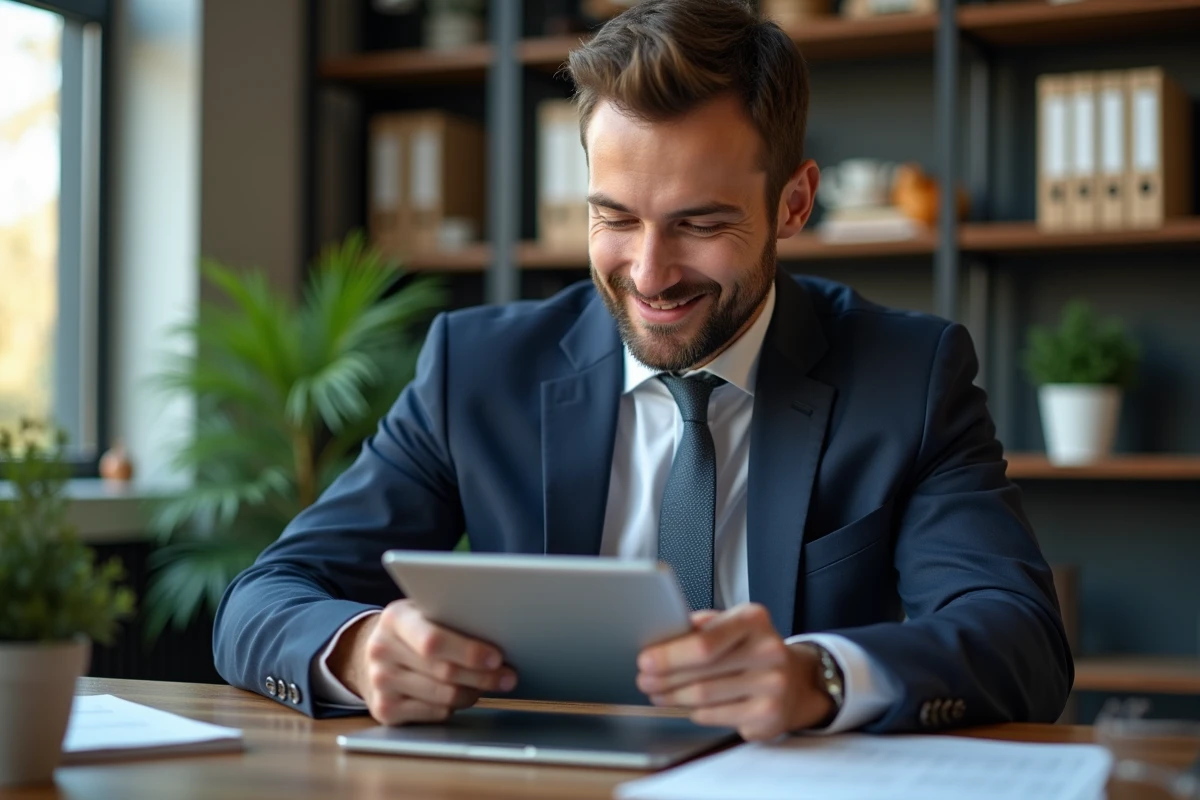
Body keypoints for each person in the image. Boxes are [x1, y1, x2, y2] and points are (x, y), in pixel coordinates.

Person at [213, 0, 1072, 741]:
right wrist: (361, 649)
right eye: (615, 219)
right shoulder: (475, 371)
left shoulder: (908, 377)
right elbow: (265, 597)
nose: (650, 274)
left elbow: (1020, 637)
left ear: (794, 203)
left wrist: (822, 675)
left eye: (700, 224)